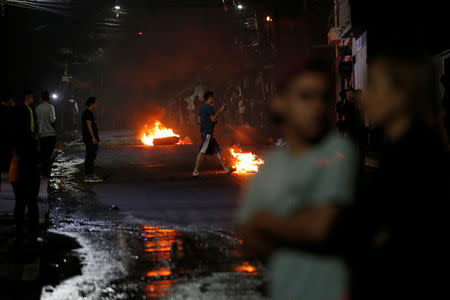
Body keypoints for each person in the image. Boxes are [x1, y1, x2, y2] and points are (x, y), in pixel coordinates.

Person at [240, 55, 449, 300]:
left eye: (373, 86)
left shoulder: (414, 154)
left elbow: (366, 230)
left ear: (401, 95)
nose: (364, 96)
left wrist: (268, 222)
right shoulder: (404, 147)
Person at [238, 56, 359, 300]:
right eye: (305, 96)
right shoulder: (272, 163)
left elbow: (319, 228)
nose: (316, 107)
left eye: (323, 97)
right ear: (281, 102)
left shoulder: (338, 152)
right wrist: (297, 223)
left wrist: (266, 221)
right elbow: (248, 239)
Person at [10, 91, 40, 244]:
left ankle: (19, 232)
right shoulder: (30, 144)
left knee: (20, 202)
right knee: (31, 201)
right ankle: (33, 231)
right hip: (28, 171)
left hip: (19, 173)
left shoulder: (15, 142)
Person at [192, 91, 231, 177]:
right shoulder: (209, 107)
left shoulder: (202, 108)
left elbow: (198, 121)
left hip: (207, 133)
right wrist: (220, 110)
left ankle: (226, 168)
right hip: (207, 133)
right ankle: (195, 171)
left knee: (217, 151)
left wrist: (207, 120)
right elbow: (213, 119)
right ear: (209, 98)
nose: (213, 99)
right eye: (212, 98)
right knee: (202, 151)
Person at [81, 97, 102, 183]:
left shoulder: (89, 113)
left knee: (91, 156)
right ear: (92, 103)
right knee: (90, 156)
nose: (97, 104)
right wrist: (93, 137)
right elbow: (89, 126)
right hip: (90, 138)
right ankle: (89, 175)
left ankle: (90, 174)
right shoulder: (88, 113)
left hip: (90, 138)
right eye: (96, 103)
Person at [36, 91, 56, 176]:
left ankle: (43, 171)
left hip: (42, 134)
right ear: (49, 98)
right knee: (50, 152)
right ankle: (48, 171)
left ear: (41, 98)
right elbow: (53, 120)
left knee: (43, 152)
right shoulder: (50, 107)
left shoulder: (37, 108)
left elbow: (37, 122)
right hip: (50, 133)